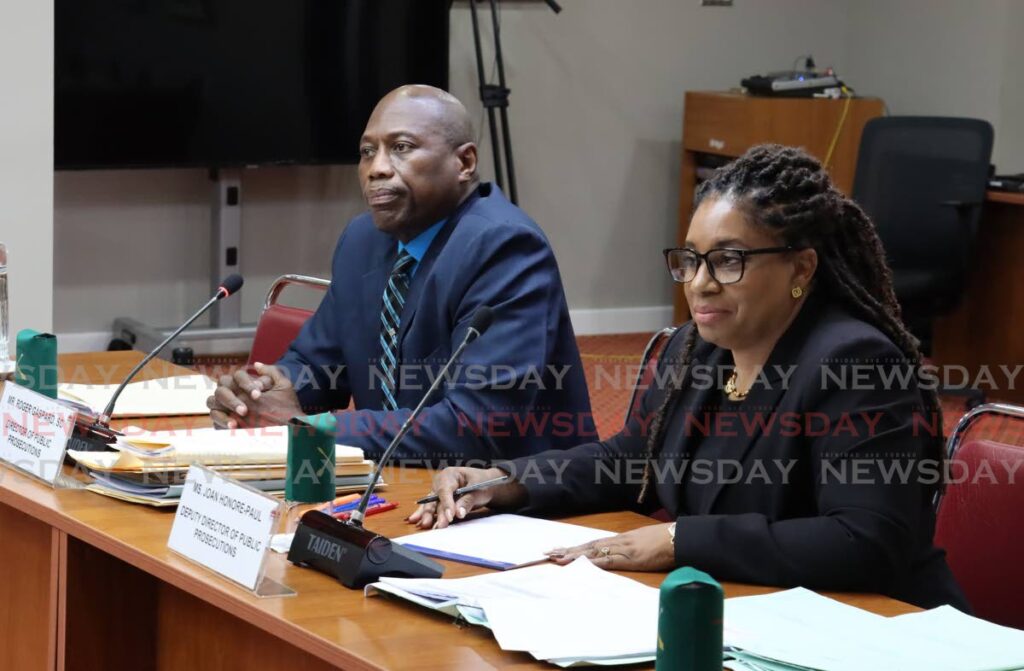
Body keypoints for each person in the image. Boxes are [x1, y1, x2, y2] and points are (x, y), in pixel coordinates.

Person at [409, 144, 968, 610]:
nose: (699, 284)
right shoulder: (697, 350)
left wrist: (680, 540)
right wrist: (507, 480)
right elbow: (629, 458)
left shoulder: (857, 364)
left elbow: (864, 540)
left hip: (878, 628)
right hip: (744, 614)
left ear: (801, 266)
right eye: (691, 260)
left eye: (728, 261)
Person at [207, 85, 594, 462]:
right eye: (367, 152)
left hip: (511, 497)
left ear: (465, 163)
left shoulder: (503, 247)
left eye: (402, 148)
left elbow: (477, 423)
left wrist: (315, 428)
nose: (376, 169)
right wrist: (260, 393)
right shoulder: (362, 240)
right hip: (397, 480)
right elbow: (319, 365)